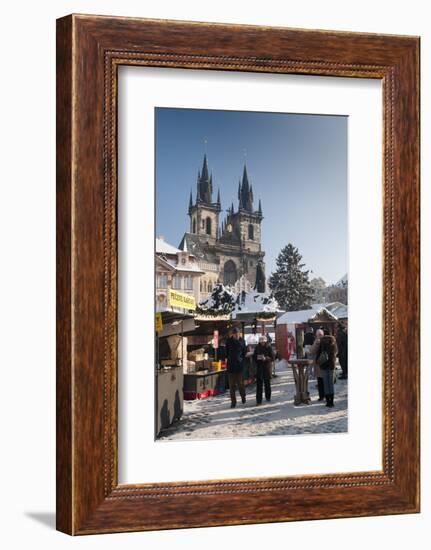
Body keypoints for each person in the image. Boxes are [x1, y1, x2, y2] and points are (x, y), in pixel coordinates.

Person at [315, 329, 338, 407]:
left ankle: (328, 401)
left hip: (323, 365)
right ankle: (332, 402)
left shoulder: (322, 342)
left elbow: (318, 353)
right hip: (331, 365)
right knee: (331, 383)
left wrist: (317, 361)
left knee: (325, 383)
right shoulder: (333, 342)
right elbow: (336, 353)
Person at [225, 327, 247, 408]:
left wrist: (241, 360)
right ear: (232, 334)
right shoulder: (228, 341)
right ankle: (233, 402)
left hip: (239, 366)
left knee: (240, 384)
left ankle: (243, 396)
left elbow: (244, 352)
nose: (236, 335)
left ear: (239, 334)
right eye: (235, 334)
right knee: (231, 386)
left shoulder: (242, 341)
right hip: (231, 366)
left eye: (237, 334)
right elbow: (226, 352)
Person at [253, 336, 274, 405]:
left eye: (263, 341)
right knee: (259, 385)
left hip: (267, 368)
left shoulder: (269, 347)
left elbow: (273, 357)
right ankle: (258, 400)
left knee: (267, 383)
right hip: (259, 368)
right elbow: (254, 357)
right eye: (261, 341)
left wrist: (266, 358)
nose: (262, 342)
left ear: (265, 341)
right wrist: (258, 358)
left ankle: (268, 397)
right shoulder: (257, 347)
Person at [310, 328, 325, 401]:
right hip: (322, 364)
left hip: (320, 363)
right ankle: (323, 396)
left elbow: (312, 351)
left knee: (321, 381)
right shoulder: (321, 341)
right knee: (322, 381)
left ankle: (322, 396)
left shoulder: (319, 341)